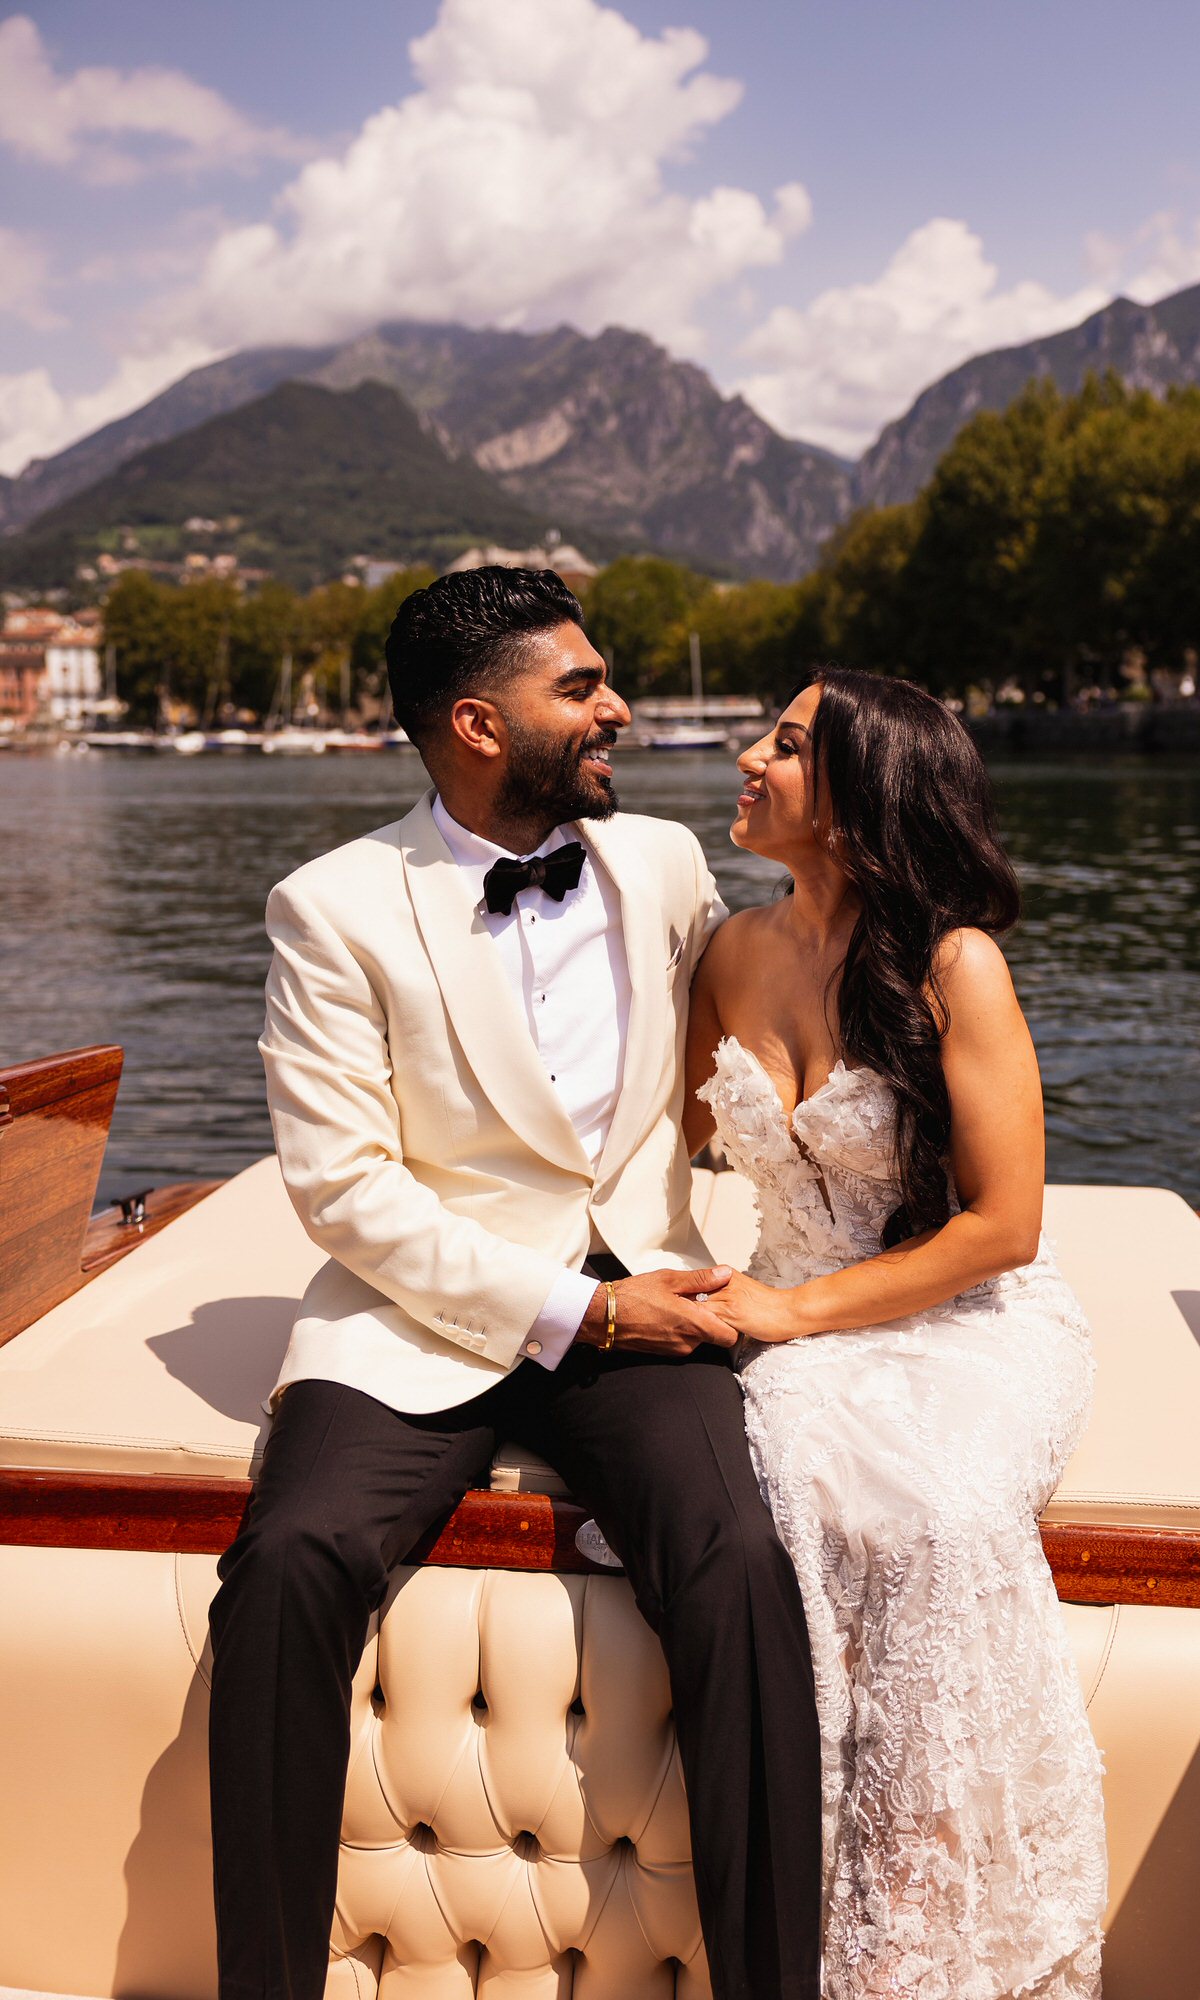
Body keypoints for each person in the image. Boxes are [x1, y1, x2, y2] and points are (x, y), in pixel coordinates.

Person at [207, 567, 823, 2000]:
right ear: (479, 725)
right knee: (287, 1565)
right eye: (582, 687)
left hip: (646, 1290)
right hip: (414, 1325)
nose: (619, 710)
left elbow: (769, 1024)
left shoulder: (663, 864)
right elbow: (344, 1191)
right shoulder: (329, 907)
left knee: (742, 1563)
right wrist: (584, 1312)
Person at [685, 669, 1108, 2000]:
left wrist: (793, 1312)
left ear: (862, 792)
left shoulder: (952, 963)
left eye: (786, 744)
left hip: (967, 1314)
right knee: (771, 1491)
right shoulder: (730, 953)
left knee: (936, 1515)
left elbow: (1005, 1227)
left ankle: (923, 1952)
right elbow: (648, 1146)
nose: (748, 758)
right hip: (785, 1317)